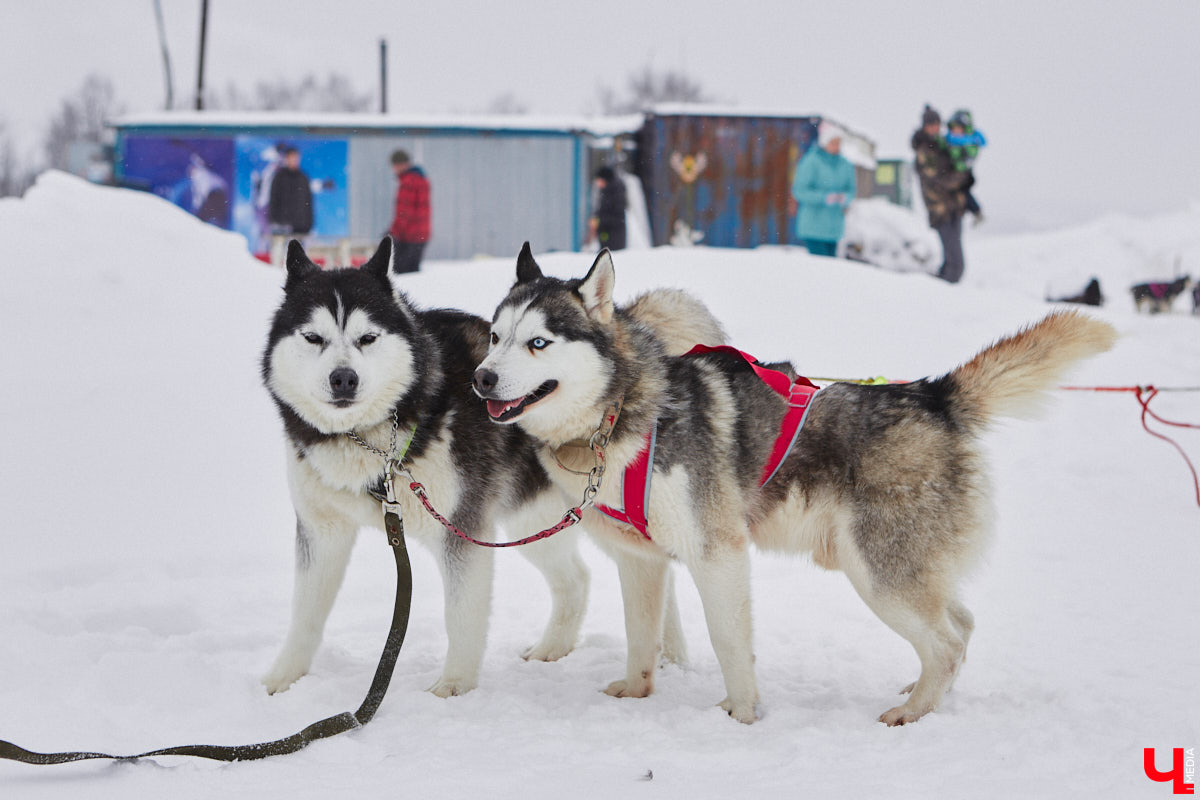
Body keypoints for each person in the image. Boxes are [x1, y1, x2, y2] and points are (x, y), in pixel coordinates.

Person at [911, 105, 971, 283]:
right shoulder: (924, 151)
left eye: (937, 124)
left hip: (954, 207)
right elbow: (937, 180)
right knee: (956, 264)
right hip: (939, 209)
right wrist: (960, 177)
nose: (935, 128)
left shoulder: (944, 145)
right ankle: (943, 294)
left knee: (952, 260)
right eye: (931, 124)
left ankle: (941, 288)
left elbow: (958, 165)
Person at [790, 121, 857, 257]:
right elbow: (799, 191)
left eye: (838, 142)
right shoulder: (811, 161)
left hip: (834, 228)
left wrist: (845, 198)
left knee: (831, 267)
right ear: (824, 142)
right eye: (833, 142)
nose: (836, 146)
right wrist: (824, 198)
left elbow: (851, 189)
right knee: (820, 267)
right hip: (813, 227)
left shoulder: (845, 164)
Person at [267, 146, 314, 266]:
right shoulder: (279, 177)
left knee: (301, 261)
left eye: (296, 158)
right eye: (291, 158)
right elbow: (273, 200)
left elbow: (309, 202)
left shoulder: (303, 177)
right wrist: (276, 221)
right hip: (282, 227)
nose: (294, 160)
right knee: (280, 259)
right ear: (286, 159)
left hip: (301, 228)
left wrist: (309, 223)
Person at [388, 150, 431, 273]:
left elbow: (404, 212)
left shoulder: (408, 182)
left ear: (402, 165)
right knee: (413, 273)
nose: (394, 169)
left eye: (395, 166)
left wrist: (393, 232)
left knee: (401, 275)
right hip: (420, 234)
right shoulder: (421, 178)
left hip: (409, 236)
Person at [946, 109, 987, 223]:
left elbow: (964, 160)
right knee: (962, 194)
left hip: (963, 176)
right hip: (959, 176)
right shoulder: (952, 141)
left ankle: (977, 212)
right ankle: (976, 212)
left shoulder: (969, 143)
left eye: (957, 128)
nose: (955, 131)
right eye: (953, 128)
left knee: (963, 192)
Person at [589, 166, 627, 251]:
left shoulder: (616, 192)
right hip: (606, 234)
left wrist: (599, 221)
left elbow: (616, 216)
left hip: (614, 237)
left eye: (599, 180)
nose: (598, 183)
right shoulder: (606, 191)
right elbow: (602, 209)